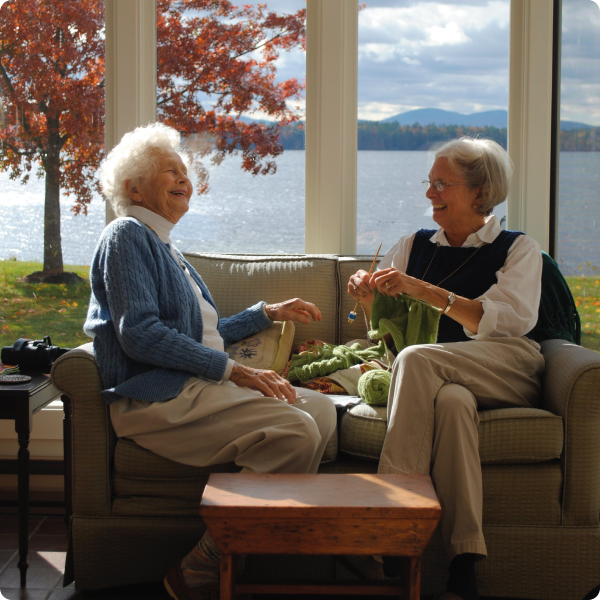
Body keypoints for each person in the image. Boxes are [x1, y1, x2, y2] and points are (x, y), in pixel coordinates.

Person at [84, 122, 337, 600]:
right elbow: (140, 335)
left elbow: (202, 336)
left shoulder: (166, 250)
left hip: (192, 388)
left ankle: (259, 535)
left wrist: (268, 313)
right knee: (298, 430)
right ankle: (206, 561)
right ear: (132, 186)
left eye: (185, 171)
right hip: (157, 397)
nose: (184, 179)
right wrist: (238, 371)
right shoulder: (126, 236)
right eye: (168, 171)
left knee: (322, 412)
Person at [347, 137, 544, 600]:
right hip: (444, 377)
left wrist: (422, 289)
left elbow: (501, 322)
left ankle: (393, 524)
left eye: (442, 183)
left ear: (480, 192)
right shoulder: (414, 245)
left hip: (506, 366)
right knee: (452, 405)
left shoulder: (518, 249)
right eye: (429, 182)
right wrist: (366, 295)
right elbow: (386, 328)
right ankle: (465, 566)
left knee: (417, 360)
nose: (430, 193)